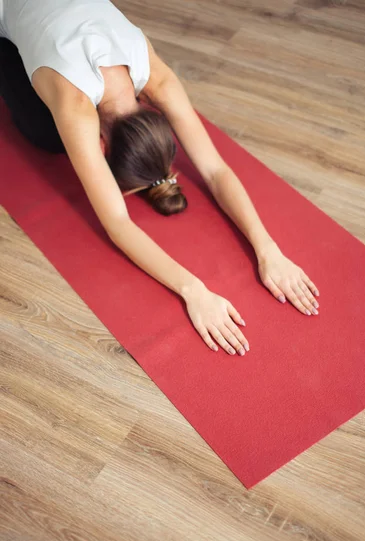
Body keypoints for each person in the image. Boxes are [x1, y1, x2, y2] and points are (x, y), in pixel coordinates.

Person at [0, 0, 320, 357]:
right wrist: (193, 290)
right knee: (46, 137)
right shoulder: (75, 107)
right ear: (101, 144)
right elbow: (118, 223)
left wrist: (269, 250)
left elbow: (216, 171)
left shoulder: (157, 76)